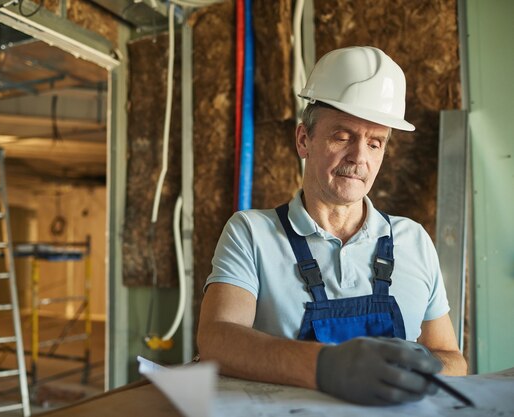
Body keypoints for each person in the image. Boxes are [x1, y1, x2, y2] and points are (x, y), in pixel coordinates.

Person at [196, 46, 467, 406]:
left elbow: (451, 356)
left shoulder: (412, 239)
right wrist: (326, 366)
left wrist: (423, 369)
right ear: (304, 140)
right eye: (343, 136)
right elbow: (217, 338)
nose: (359, 158)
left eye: (375, 143)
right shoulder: (252, 233)